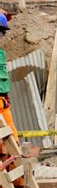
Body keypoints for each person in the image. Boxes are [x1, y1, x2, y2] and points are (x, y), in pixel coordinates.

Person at [0, 13, 18, 142]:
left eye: (2, 33)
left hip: (3, 100)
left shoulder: (1, 53)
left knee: (12, 137)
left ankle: (13, 161)